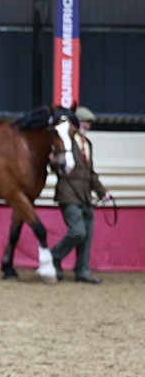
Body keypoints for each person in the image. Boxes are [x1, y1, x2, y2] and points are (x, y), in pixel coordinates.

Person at [50, 106, 111, 284]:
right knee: (78, 231)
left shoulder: (87, 144)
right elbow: (55, 165)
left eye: (89, 122)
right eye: (83, 121)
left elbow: (90, 172)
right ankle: (53, 256)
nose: (86, 125)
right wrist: (54, 162)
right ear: (75, 123)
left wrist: (102, 192)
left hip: (85, 195)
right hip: (68, 193)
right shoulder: (64, 140)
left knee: (87, 234)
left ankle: (82, 270)